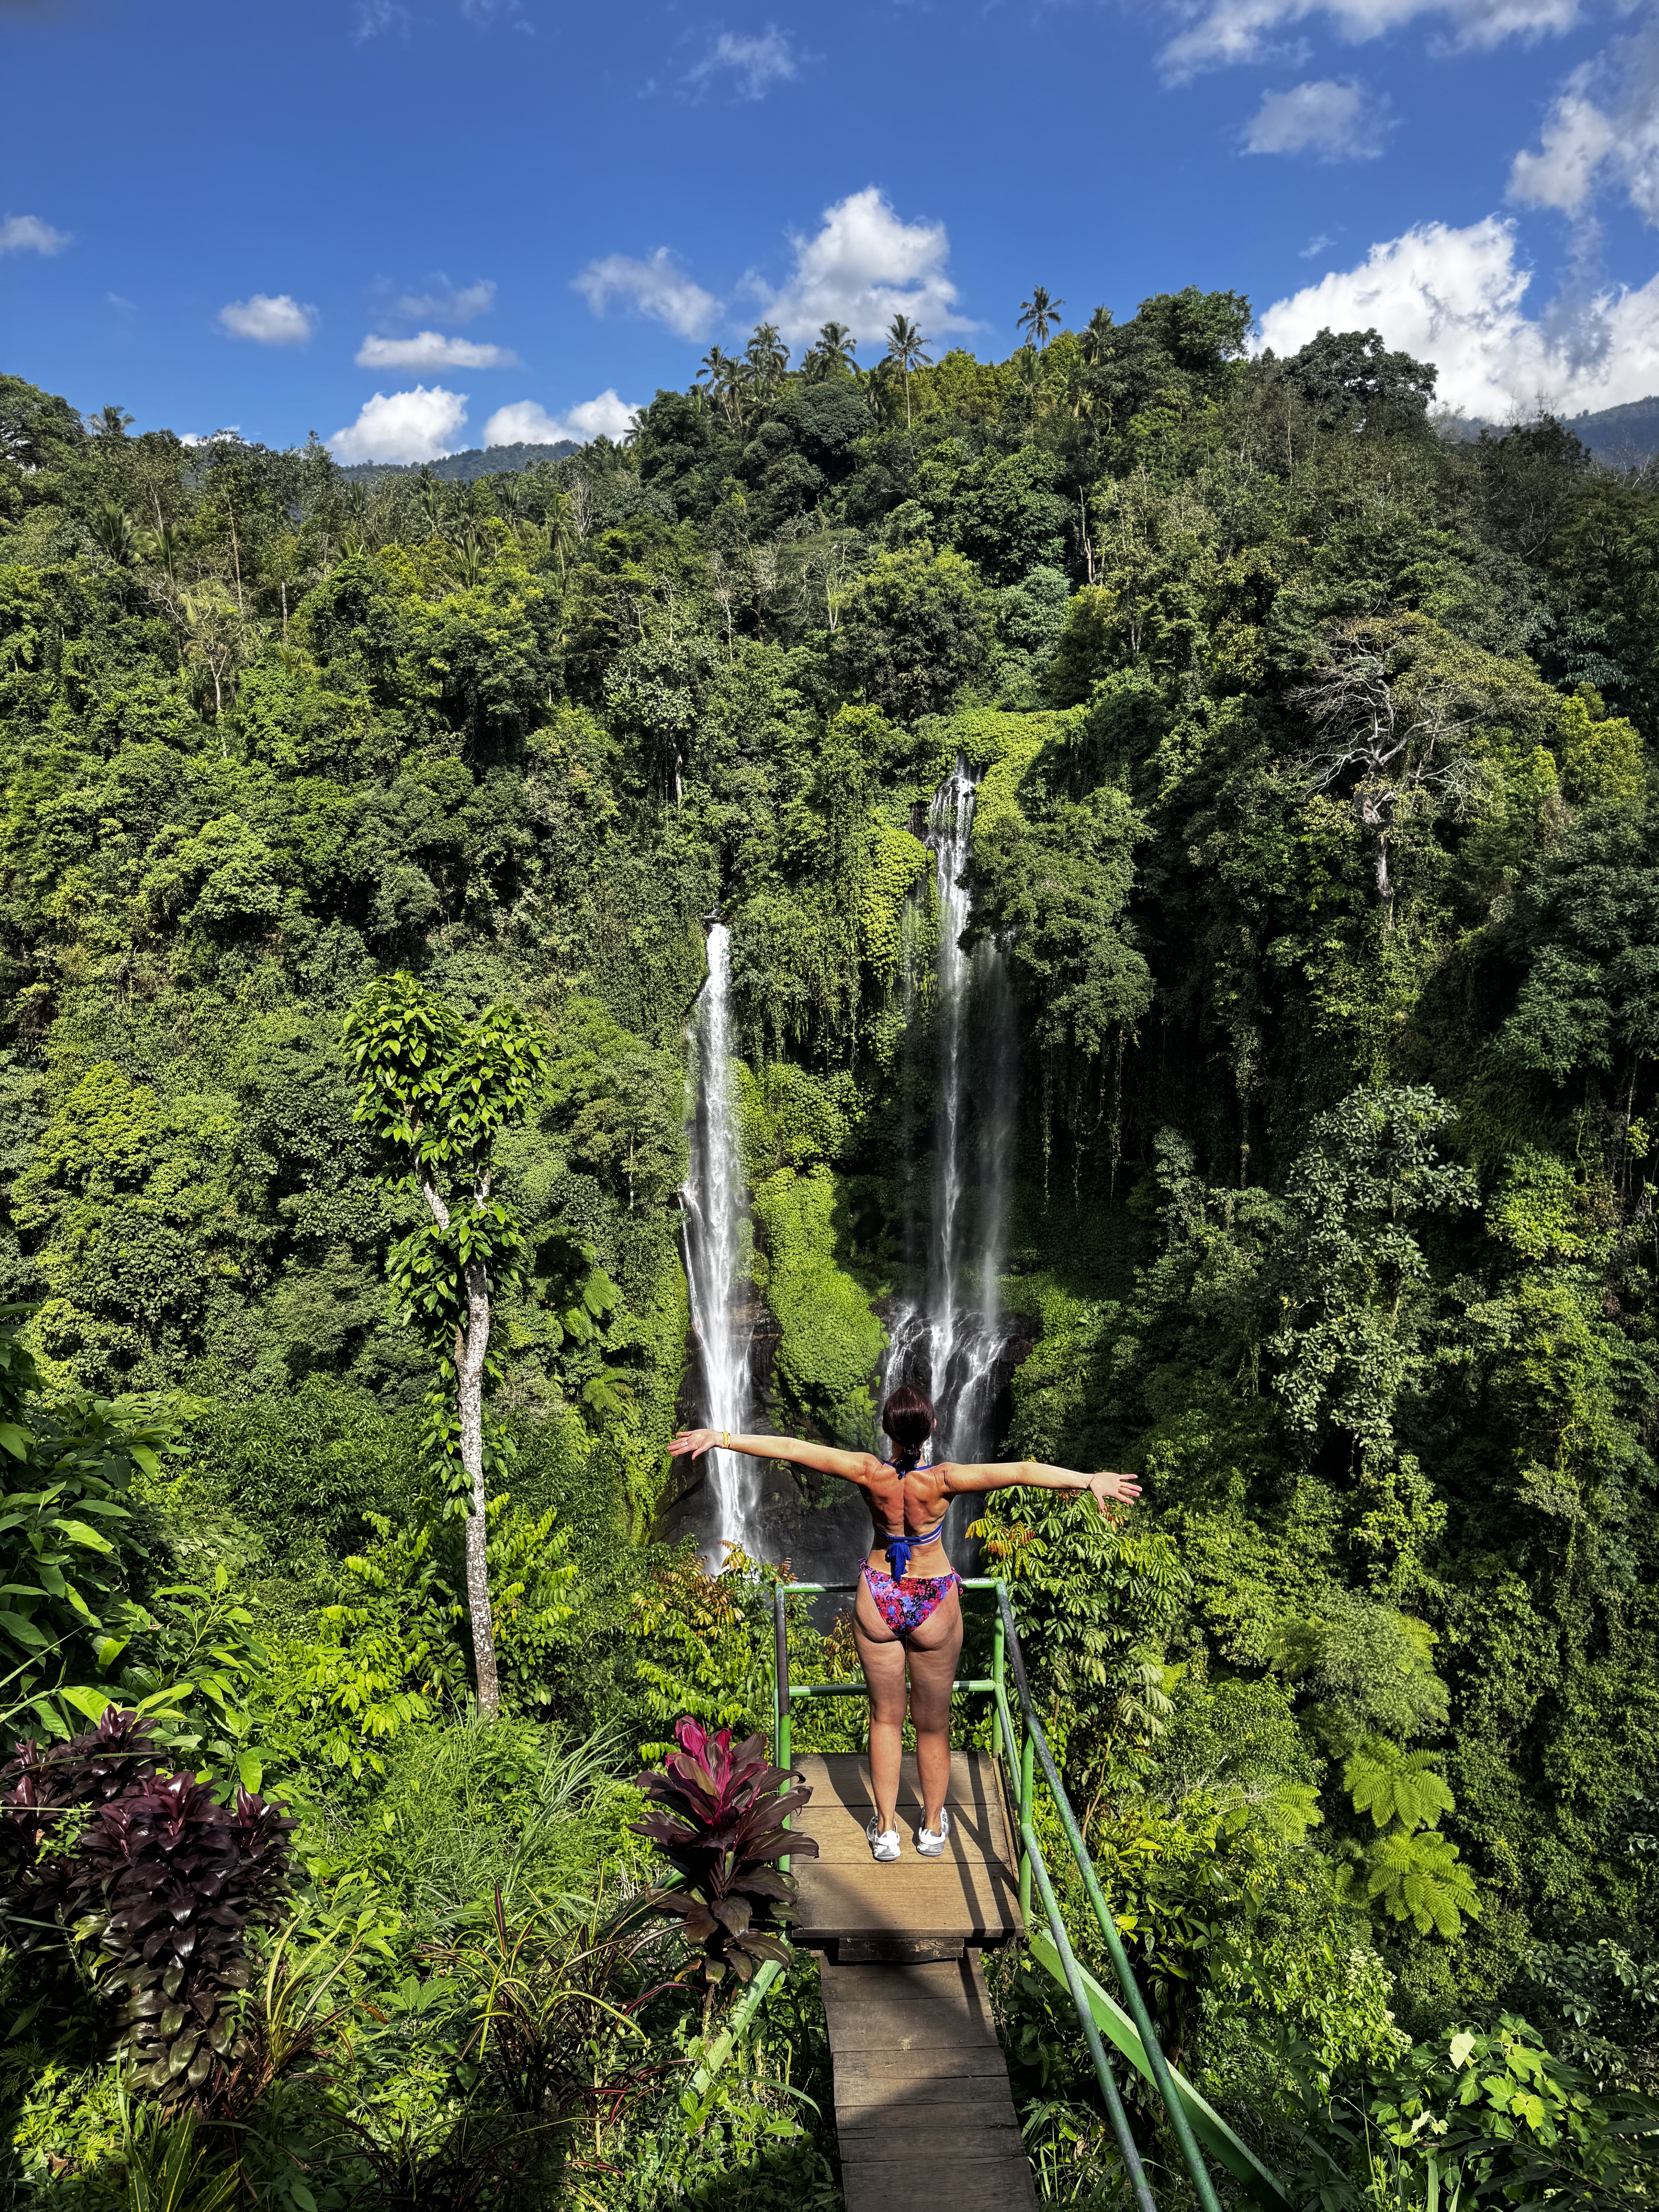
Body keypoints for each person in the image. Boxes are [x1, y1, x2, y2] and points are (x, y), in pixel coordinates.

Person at [665, 1385, 1142, 1863]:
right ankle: (933, 1829)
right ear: (931, 1428)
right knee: (934, 1727)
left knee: (885, 1719)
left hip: (879, 1598)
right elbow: (1022, 1471)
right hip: (934, 1600)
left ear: (887, 1430)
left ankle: (887, 1831)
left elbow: (794, 1448)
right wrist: (1089, 1479)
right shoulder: (944, 1480)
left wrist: (720, 1436)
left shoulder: (869, 1472)